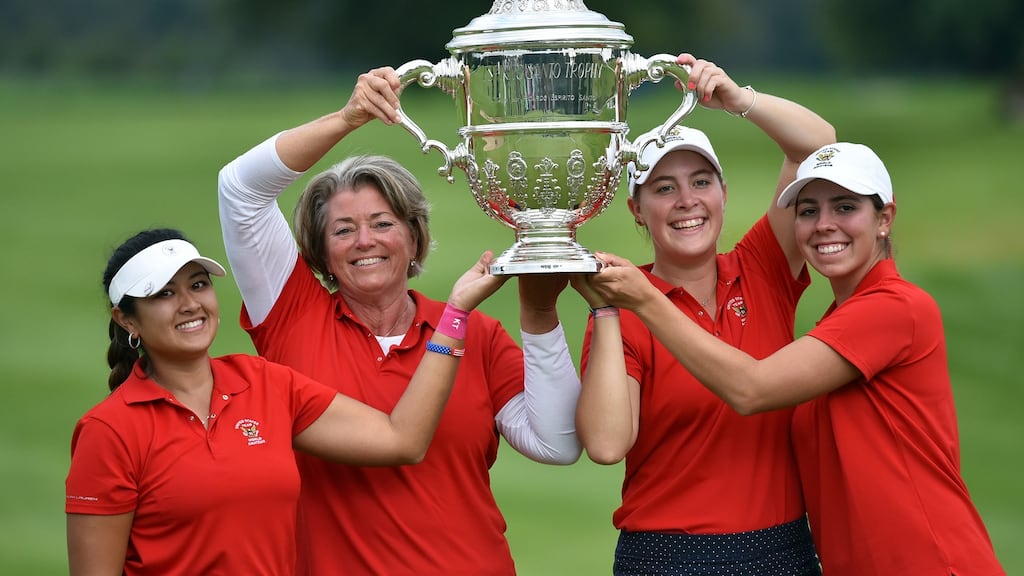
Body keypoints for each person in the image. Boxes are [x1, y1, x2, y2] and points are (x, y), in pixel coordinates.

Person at [217, 66, 583, 575]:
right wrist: (349, 119)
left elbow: (558, 443)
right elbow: (239, 189)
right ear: (321, 253)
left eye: (383, 223)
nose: (365, 241)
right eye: (343, 230)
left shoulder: (478, 335)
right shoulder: (291, 314)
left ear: (414, 238)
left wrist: (541, 315)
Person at [584, 142, 1007, 575]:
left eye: (845, 208)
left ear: (884, 220)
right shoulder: (834, 326)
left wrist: (644, 299)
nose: (824, 225)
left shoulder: (894, 307)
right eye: (808, 212)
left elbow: (752, 389)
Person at [65, 228, 504, 575]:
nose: (189, 304)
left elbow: (402, 439)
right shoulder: (110, 431)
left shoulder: (264, 384)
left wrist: (454, 317)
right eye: (164, 293)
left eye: (197, 285)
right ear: (126, 319)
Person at [572, 53, 836, 575]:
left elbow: (819, 145)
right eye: (663, 189)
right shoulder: (624, 301)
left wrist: (741, 101)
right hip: (668, 555)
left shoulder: (762, 265)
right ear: (637, 209)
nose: (686, 201)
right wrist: (606, 311)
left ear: (723, 192)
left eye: (701, 181)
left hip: (782, 548)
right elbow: (605, 444)